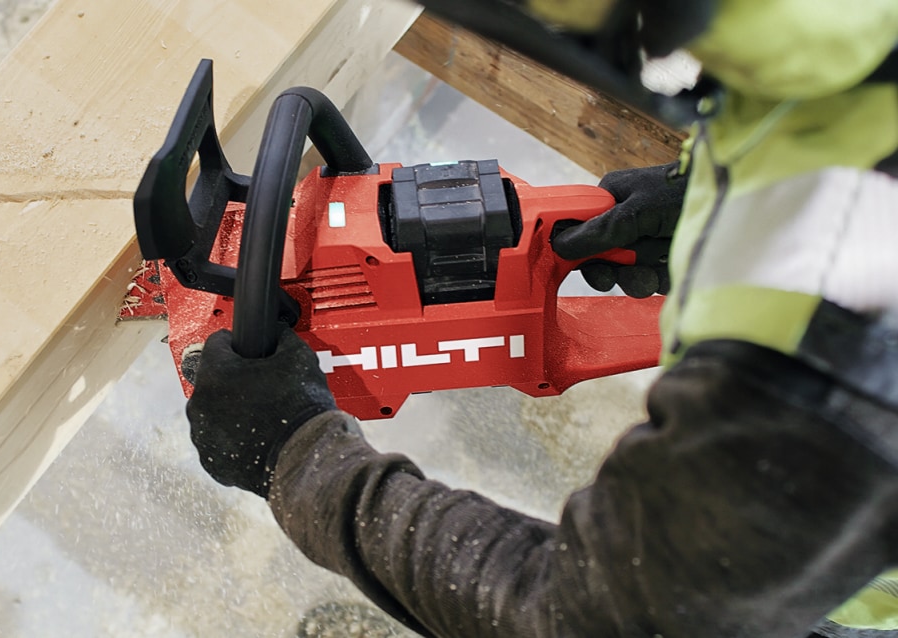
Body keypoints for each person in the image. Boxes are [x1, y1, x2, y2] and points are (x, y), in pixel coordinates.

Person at [184, 1, 898, 636]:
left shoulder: (838, 348)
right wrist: (722, 203)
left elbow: (579, 615)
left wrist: (296, 459)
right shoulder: (835, 42)